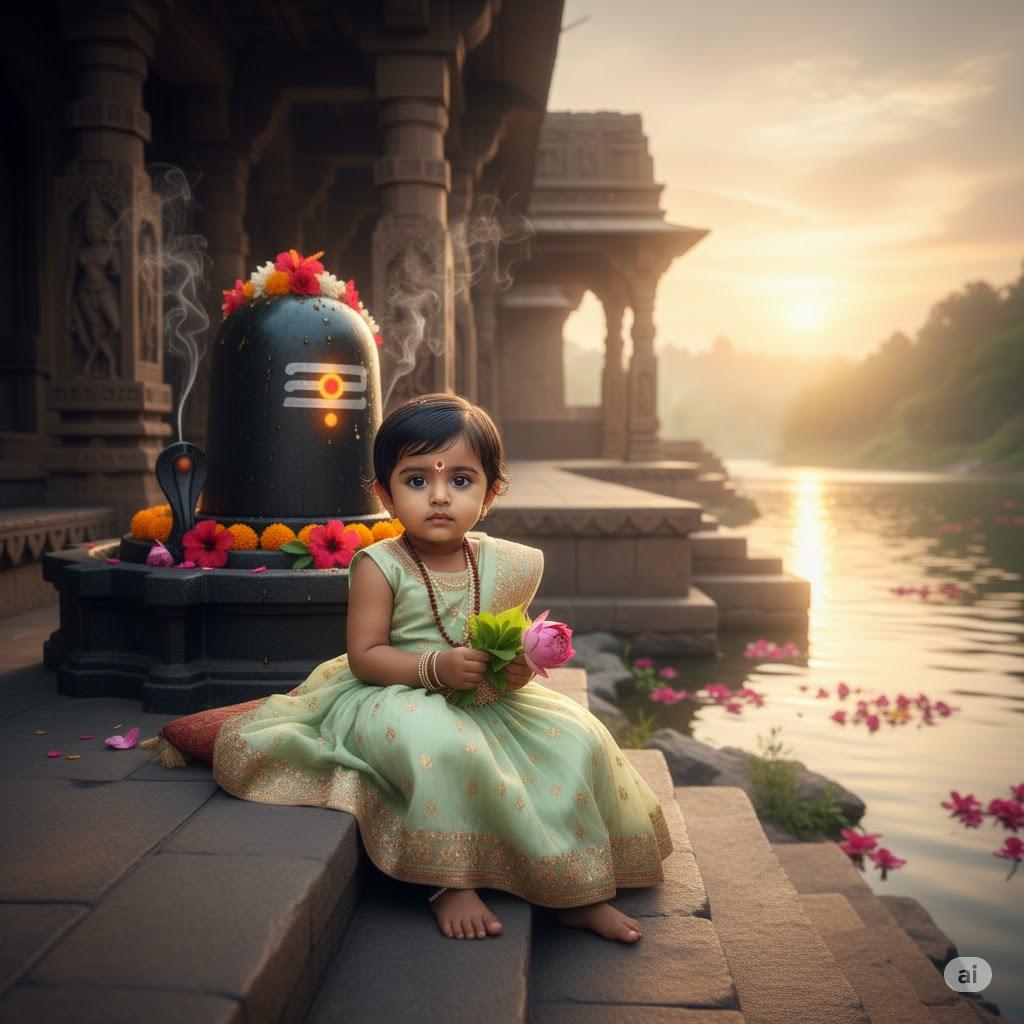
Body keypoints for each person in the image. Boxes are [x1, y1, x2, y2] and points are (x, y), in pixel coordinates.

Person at [212, 393, 672, 943]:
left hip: (483, 696)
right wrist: (435, 668)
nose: (437, 496)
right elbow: (366, 655)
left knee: (580, 739)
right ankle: (447, 880)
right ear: (384, 493)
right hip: (398, 689)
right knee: (446, 746)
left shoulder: (503, 564)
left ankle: (579, 889)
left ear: (490, 492)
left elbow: (502, 646)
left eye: (460, 480)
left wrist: (515, 667)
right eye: (415, 480)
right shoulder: (379, 565)